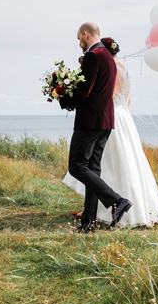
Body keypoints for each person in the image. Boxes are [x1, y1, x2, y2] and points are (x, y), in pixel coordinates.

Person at [63, 37, 158, 228]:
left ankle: (116, 201)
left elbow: (105, 94)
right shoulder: (123, 68)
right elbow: (126, 100)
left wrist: (71, 94)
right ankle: (90, 219)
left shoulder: (105, 65)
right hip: (122, 117)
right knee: (110, 166)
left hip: (104, 117)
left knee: (93, 166)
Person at [57, 22, 132, 232]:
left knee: (77, 166)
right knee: (92, 170)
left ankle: (117, 201)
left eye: (79, 38)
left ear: (85, 34)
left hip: (89, 121)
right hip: (106, 121)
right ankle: (87, 223)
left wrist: (62, 96)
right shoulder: (108, 56)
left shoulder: (93, 55)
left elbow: (85, 91)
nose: (79, 43)